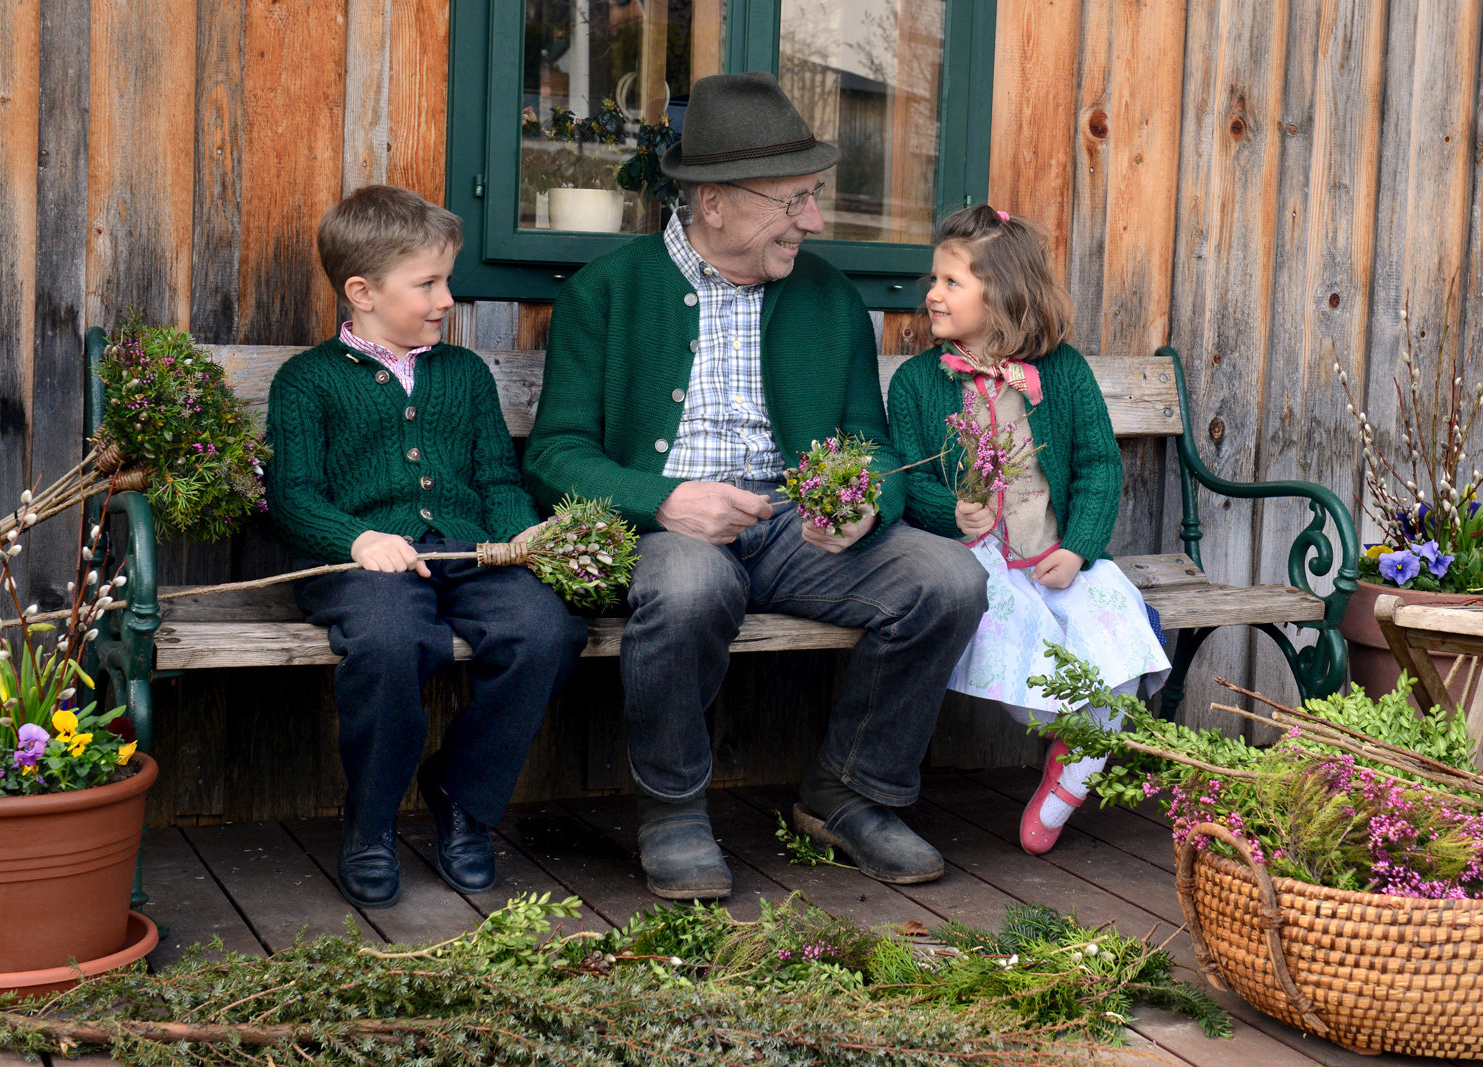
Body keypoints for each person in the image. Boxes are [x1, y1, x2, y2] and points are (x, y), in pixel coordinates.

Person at [525, 71, 989, 900]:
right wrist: (663, 499)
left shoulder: (826, 296)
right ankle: (672, 810)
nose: (811, 220)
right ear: (714, 202)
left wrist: (860, 501)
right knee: (690, 584)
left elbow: (868, 442)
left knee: (949, 579)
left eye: (813, 197)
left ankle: (850, 791)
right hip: (671, 528)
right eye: (793, 201)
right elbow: (556, 453)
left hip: (794, 527)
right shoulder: (608, 293)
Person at [266, 185, 589, 908]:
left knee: (547, 627)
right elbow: (293, 498)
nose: (447, 298)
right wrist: (358, 537)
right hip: (361, 565)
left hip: (470, 554)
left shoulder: (464, 375)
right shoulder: (307, 382)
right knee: (388, 638)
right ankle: (372, 818)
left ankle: (464, 796)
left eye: (446, 279)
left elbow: (496, 476)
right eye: (428, 283)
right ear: (363, 291)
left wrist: (521, 534)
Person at [886, 206, 1170, 855]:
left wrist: (1079, 547)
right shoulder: (916, 384)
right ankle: (1076, 744)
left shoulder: (1062, 373)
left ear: (1006, 292)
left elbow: (1099, 463)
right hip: (978, 566)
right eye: (935, 279)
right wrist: (951, 510)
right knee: (1020, 659)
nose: (932, 293)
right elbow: (905, 478)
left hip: (1056, 555)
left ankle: (1068, 780)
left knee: (1117, 641)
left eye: (952, 282)